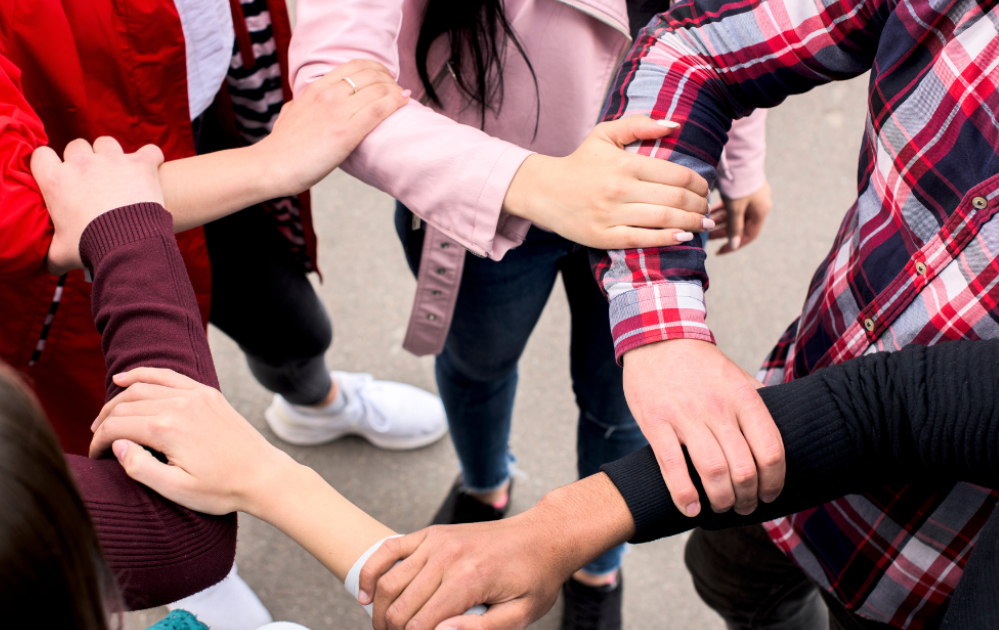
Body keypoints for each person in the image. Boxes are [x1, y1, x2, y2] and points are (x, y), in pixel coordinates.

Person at [499, 0, 999, 627]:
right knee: (727, 578)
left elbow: (911, 409)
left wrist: (560, 531)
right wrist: (663, 329)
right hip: (783, 425)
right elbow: (690, 50)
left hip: (932, 570)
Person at [287, 1, 771, 625]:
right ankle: (485, 486)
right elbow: (335, 74)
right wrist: (534, 183)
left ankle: (596, 560)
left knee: (622, 399)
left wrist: (742, 159)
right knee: (478, 365)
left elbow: (735, 15)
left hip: (651, 188)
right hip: (479, 176)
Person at [0, 0, 448, 463]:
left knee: (294, 329)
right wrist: (272, 164)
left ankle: (313, 404)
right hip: (82, 243)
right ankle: (184, 562)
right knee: (127, 417)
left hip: (206, 132)